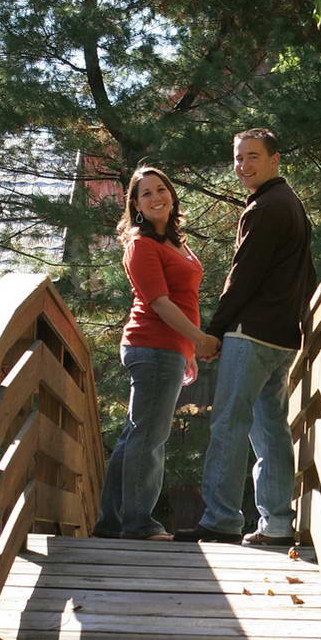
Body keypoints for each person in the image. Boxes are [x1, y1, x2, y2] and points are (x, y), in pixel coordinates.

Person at [176, 128, 316, 546]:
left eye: (253, 157)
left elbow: (243, 276)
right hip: (280, 336)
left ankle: (220, 520)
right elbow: (305, 276)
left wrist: (215, 331)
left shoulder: (266, 207)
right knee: (269, 428)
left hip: (251, 333)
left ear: (275, 160)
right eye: (238, 158)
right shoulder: (291, 205)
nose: (243, 166)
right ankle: (275, 523)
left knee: (229, 425)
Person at [92, 166, 219, 541]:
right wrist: (199, 339)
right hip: (150, 345)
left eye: (161, 189)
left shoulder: (176, 242)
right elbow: (160, 303)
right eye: (145, 193)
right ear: (135, 205)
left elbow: (186, 299)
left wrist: (188, 351)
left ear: (172, 195)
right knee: (150, 437)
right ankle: (138, 522)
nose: (156, 197)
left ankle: (111, 522)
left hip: (169, 349)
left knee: (137, 434)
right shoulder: (142, 246)